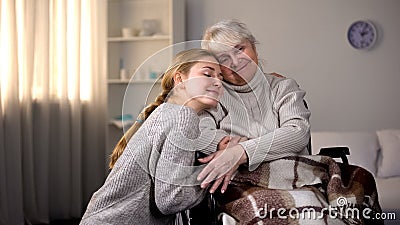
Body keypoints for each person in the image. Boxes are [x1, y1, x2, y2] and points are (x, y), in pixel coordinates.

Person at [80, 49, 223, 225]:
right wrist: (216, 168)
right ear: (180, 79)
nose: (217, 82)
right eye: (208, 74)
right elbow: (171, 200)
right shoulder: (184, 117)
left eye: (220, 77)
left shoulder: (165, 112)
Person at [195, 19, 311, 194]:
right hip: (240, 186)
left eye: (240, 49)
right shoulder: (213, 95)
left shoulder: (283, 87)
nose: (235, 62)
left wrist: (240, 152)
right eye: (224, 58)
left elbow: (297, 132)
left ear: (254, 47)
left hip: (295, 181)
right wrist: (221, 142)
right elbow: (199, 132)